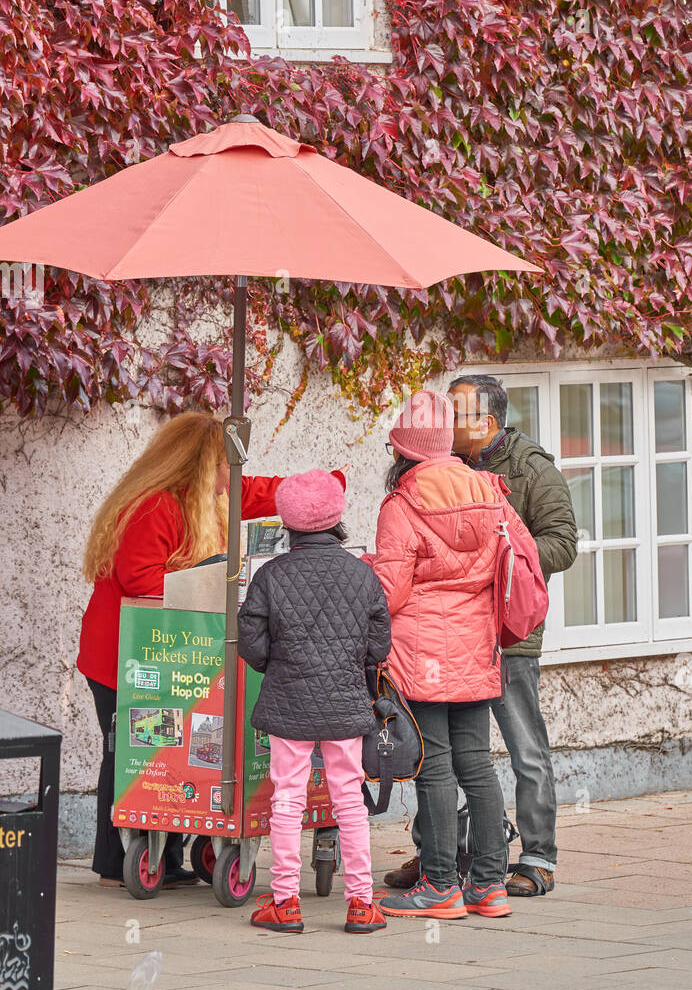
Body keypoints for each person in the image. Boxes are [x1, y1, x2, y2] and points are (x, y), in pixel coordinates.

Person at [384, 375, 578, 899]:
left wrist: (505, 562)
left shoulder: (531, 469)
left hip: (508, 636)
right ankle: (441, 857)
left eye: (456, 413)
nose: (446, 420)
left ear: (486, 424)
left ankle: (536, 856)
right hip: (465, 635)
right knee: (455, 755)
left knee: (522, 751)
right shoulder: (454, 470)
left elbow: (563, 543)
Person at [78, 412, 284, 888]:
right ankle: (122, 859)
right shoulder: (156, 506)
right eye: (224, 465)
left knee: (165, 747)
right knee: (131, 751)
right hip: (122, 657)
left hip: (158, 653)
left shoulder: (198, 500)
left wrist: (320, 487)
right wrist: (208, 578)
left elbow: (254, 493)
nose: (231, 476)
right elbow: (143, 580)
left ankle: (162, 855)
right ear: (199, 464)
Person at [368, 389, 532, 921]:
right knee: (477, 766)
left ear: (403, 449)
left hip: (422, 654)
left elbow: (389, 593)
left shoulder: (403, 503)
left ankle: (440, 885)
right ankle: (489, 884)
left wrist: (367, 568)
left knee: (434, 766)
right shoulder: (490, 490)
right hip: (476, 649)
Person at [238, 469, 391, 935]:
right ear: (336, 517)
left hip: (289, 703)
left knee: (287, 798)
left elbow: (251, 640)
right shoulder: (361, 575)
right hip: (346, 703)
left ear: (288, 522)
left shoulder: (269, 575)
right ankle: (362, 904)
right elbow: (379, 645)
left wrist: (277, 667)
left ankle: (285, 902)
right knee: (349, 799)